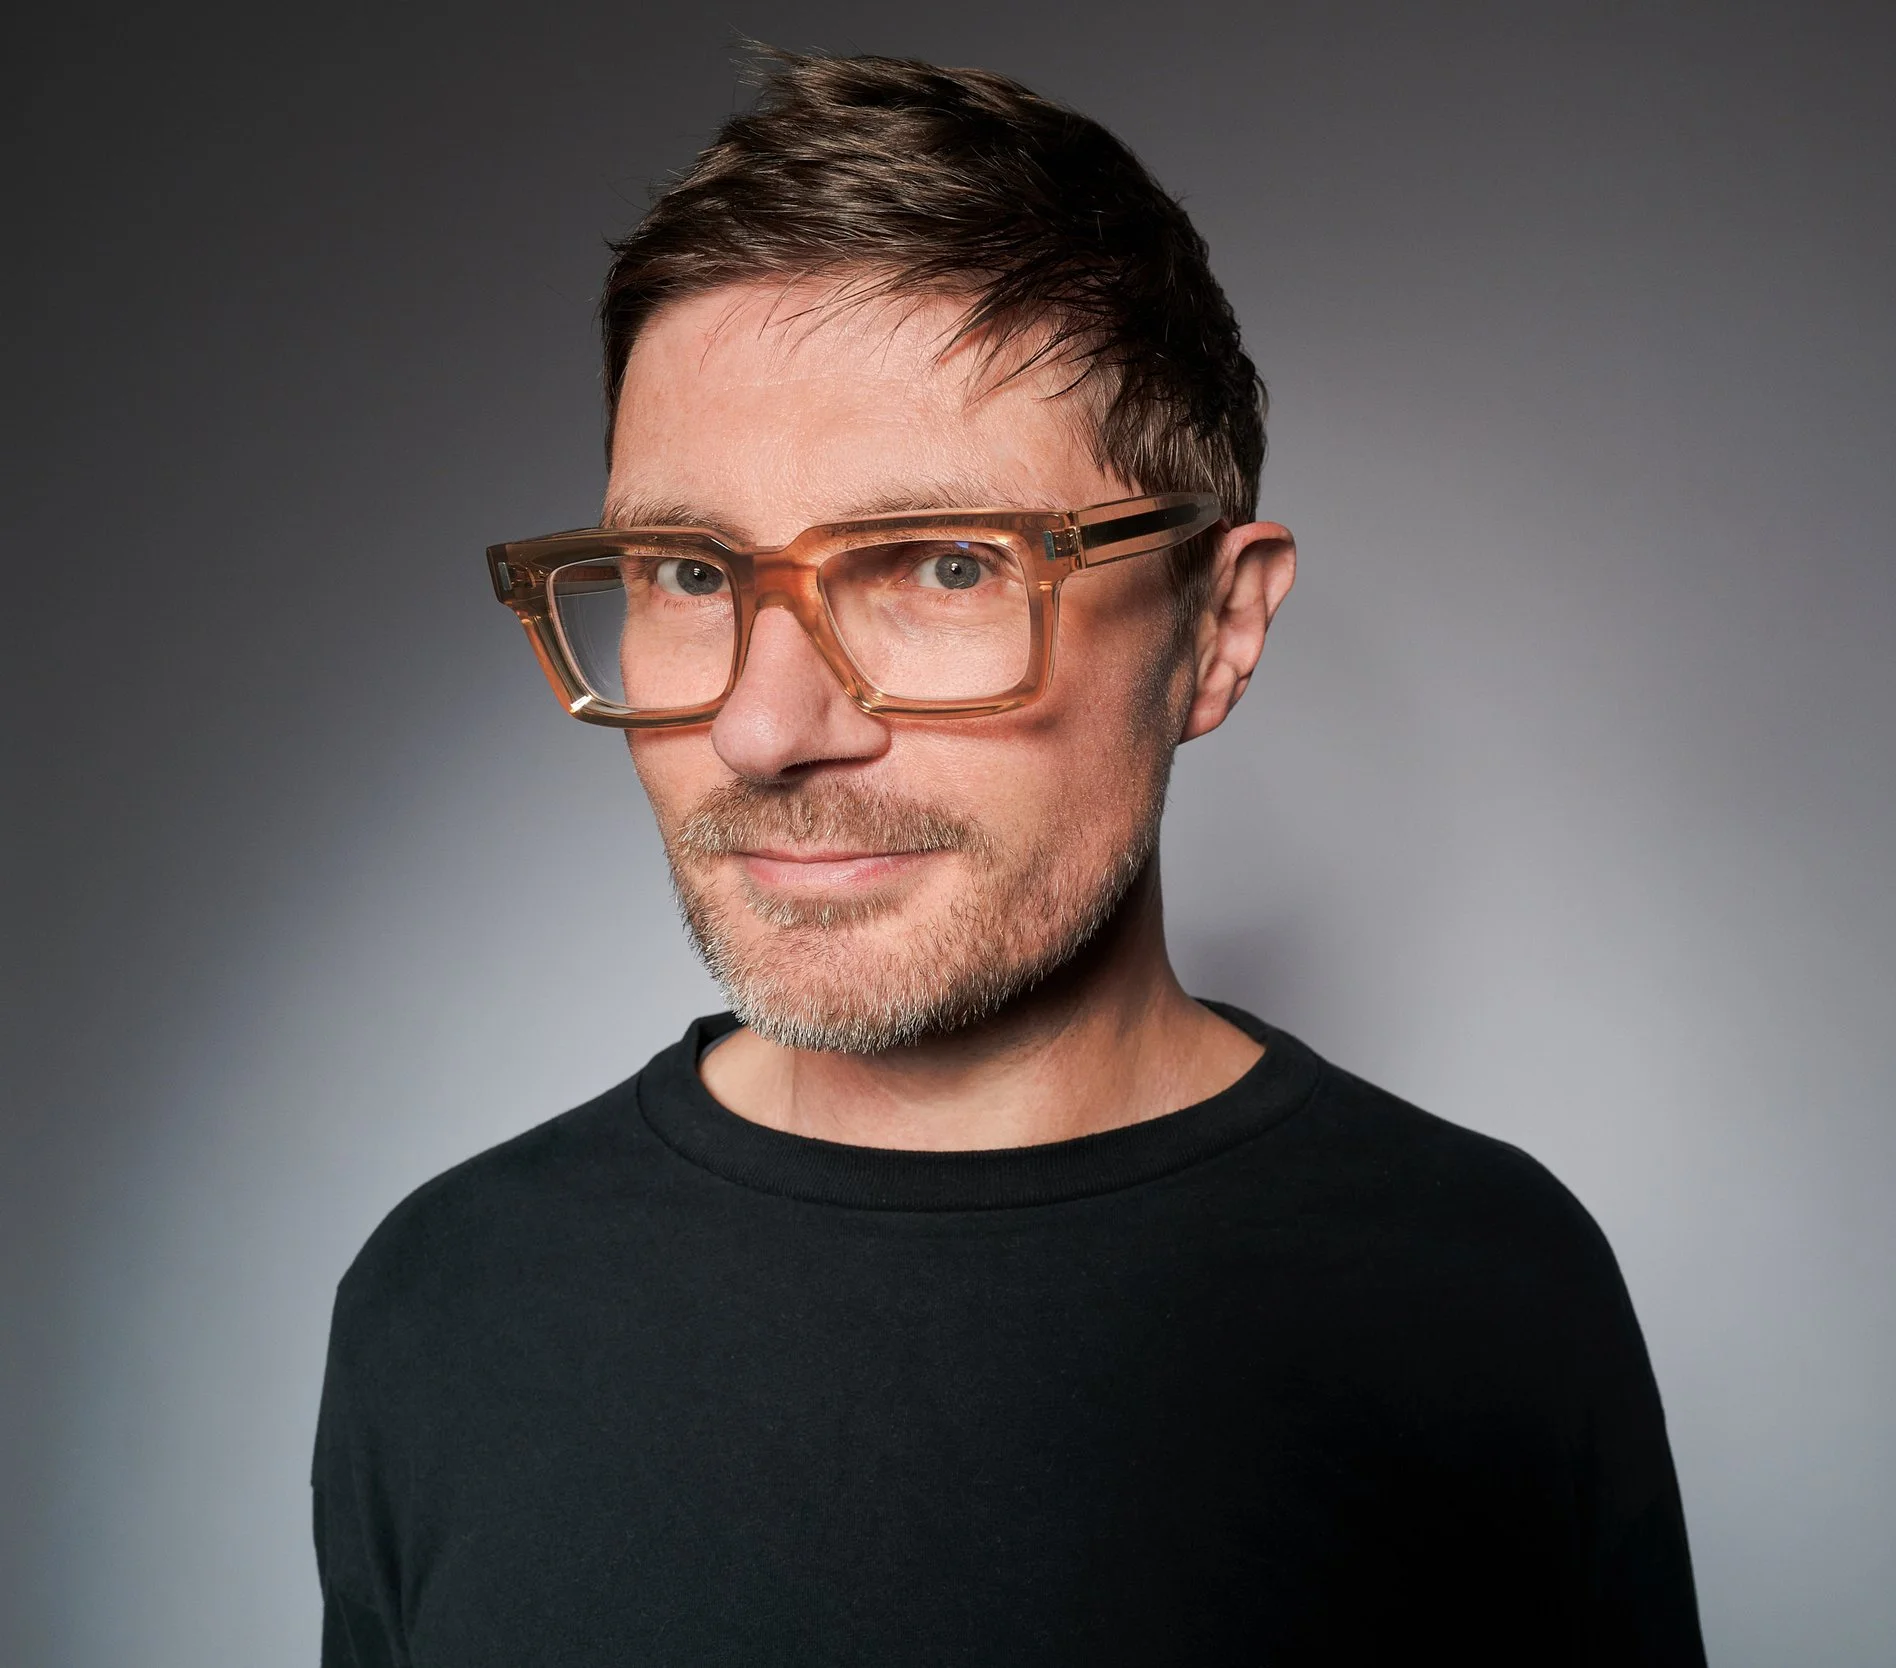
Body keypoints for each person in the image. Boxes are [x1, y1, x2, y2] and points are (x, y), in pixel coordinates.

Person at [313, 51, 1706, 1667]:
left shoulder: (1483, 1294)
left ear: (1218, 627)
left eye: (946, 564)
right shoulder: (446, 1300)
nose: (767, 729)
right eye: (688, 570)